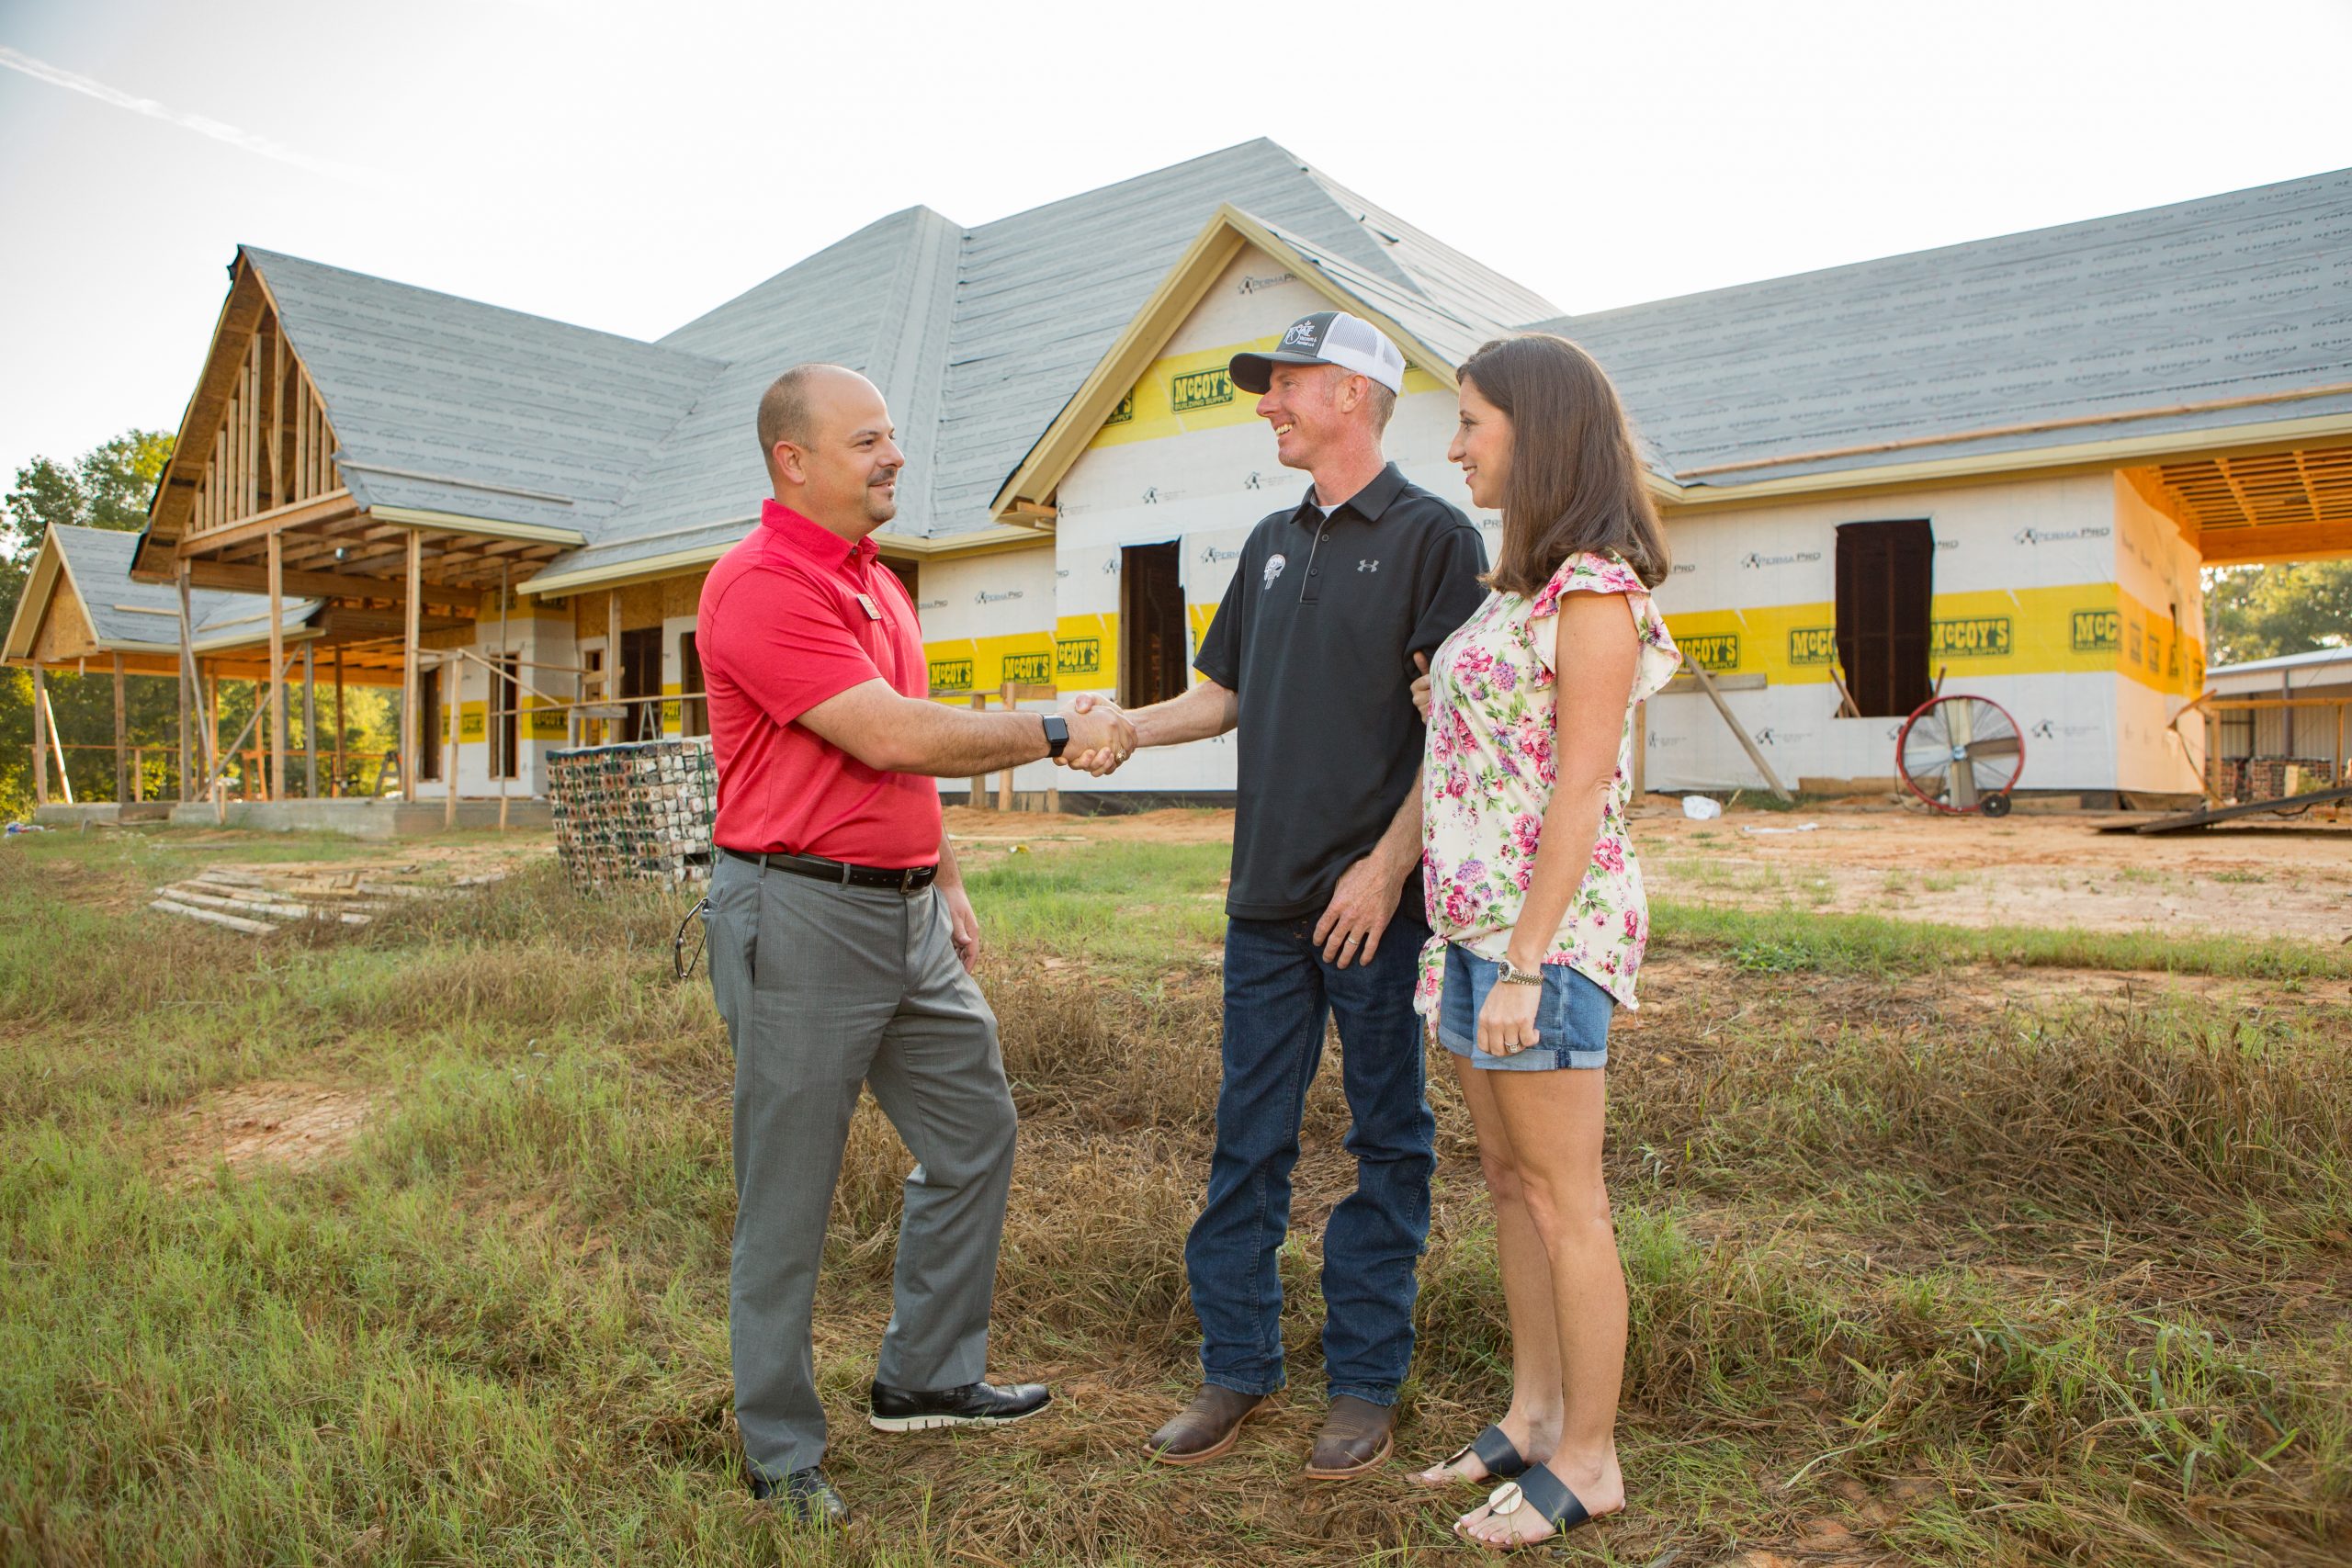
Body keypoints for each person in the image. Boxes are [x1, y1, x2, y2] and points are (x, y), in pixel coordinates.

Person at [696, 363, 1136, 1525]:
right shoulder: (757, 585)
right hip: (797, 914)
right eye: (867, 440)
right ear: (794, 461)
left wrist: (940, 875)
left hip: (902, 915)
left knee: (974, 1128)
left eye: (892, 436)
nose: (893, 456)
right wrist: (1055, 726)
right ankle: (780, 1449)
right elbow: (888, 734)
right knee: (787, 1192)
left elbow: (908, 752)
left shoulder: (878, 584)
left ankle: (925, 1377)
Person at [1081, 311, 1489, 1479]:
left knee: (1384, 1144)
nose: (1266, 403)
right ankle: (1236, 1371)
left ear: (1353, 395)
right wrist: (1120, 729)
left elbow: (1455, 735)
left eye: (1287, 385)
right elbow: (1220, 697)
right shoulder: (1268, 538)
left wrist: (1385, 866)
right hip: (1264, 904)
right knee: (1244, 1142)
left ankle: (1363, 1387)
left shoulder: (1434, 539)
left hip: (1373, 908)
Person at [1402, 333, 1680, 1550]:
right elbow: (1506, 735)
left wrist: (1524, 960)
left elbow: (1581, 793)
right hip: (1466, 925)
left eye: (1471, 420)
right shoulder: (1518, 589)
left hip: (1541, 944)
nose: (1455, 445)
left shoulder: (1597, 594)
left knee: (1569, 1197)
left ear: (1541, 429)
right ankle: (1530, 1412)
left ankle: (1592, 1457)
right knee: (1509, 1183)